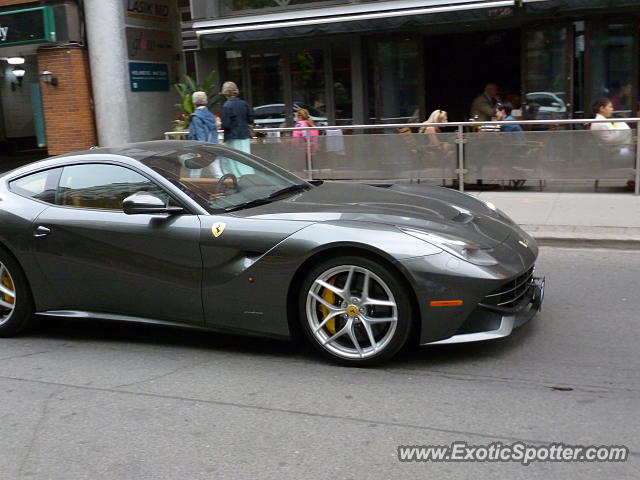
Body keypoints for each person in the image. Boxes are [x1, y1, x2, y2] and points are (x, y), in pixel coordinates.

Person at [221, 81, 254, 153]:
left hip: (232, 137)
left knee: (234, 160)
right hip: (245, 135)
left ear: (225, 92)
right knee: (245, 158)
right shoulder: (244, 103)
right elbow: (250, 119)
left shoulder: (226, 105)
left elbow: (226, 124)